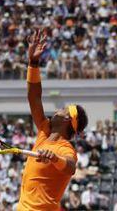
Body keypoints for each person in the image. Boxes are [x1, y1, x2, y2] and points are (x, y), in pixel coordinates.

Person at [17, 29, 88, 211]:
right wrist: (33, 63)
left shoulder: (65, 148)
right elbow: (34, 98)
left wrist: (55, 158)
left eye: (63, 109)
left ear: (67, 120)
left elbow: (70, 168)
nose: (57, 110)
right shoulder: (44, 132)